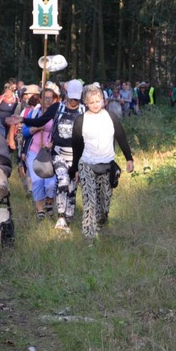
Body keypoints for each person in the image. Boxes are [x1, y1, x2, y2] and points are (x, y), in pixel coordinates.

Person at [70, 84, 134, 242]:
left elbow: (121, 137)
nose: (95, 104)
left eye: (98, 100)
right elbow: (76, 146)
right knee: (90, 202)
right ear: (85, 102)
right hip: (87, 165)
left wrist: (129, 158)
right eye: (91, 102)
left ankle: (101, 220)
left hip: (107, 166)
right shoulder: (80, 121)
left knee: (104, 205)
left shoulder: (111, 117)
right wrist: (75, 168)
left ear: (103, 100)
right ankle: (89, 238)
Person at [49, 79, 86, 233]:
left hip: (77, 157)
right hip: (58, 154)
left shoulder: (84, 111)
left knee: (72, 188)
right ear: (66, 94)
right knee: (63, 181)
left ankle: (68, 219)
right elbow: (42, 119)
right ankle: (60, 217)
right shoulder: (59, 109)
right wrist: (24, 120)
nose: (73, 101)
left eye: (76, 99)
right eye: (71, 98)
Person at [20, 84, 59, 219]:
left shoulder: (57, 114)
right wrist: (35, 128)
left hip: (49, 152)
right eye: (45, 98)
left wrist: (53, 142)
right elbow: (24, 132)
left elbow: (59, 132)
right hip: (33, 151)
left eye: (50, 98)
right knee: (37, 180)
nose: (48, 101)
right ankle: (40, 209)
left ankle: (49, 201)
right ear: (40, 99)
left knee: (50, 182)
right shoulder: (35, 113)